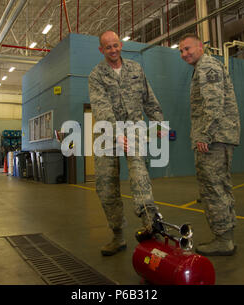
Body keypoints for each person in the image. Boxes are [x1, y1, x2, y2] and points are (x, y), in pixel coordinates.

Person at [88, 31, 165, 256]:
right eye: (107, 47)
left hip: (134, 130)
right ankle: (118, 235)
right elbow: (101, 107)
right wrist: (115, 133)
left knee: (139, 175)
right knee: (105, 185)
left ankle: (151, 224)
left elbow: (149, 98)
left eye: (115, 46)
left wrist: (159, 123)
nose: (113, 51)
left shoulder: (135, 69)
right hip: (107, 133)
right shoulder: (96, 75)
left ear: (120, 45)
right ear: (101, 50)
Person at [179, 33, 240, 256]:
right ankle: (227, 236)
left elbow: (213, 103)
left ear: (200, 47)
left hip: (213, 138)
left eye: (188, 49)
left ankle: (223, 239)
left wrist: (204, 135)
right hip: (219, 135)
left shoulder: (207, 67)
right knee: (221, 186)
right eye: (181, 51)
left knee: (213, 187)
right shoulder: (206, 66)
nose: (184, 53)